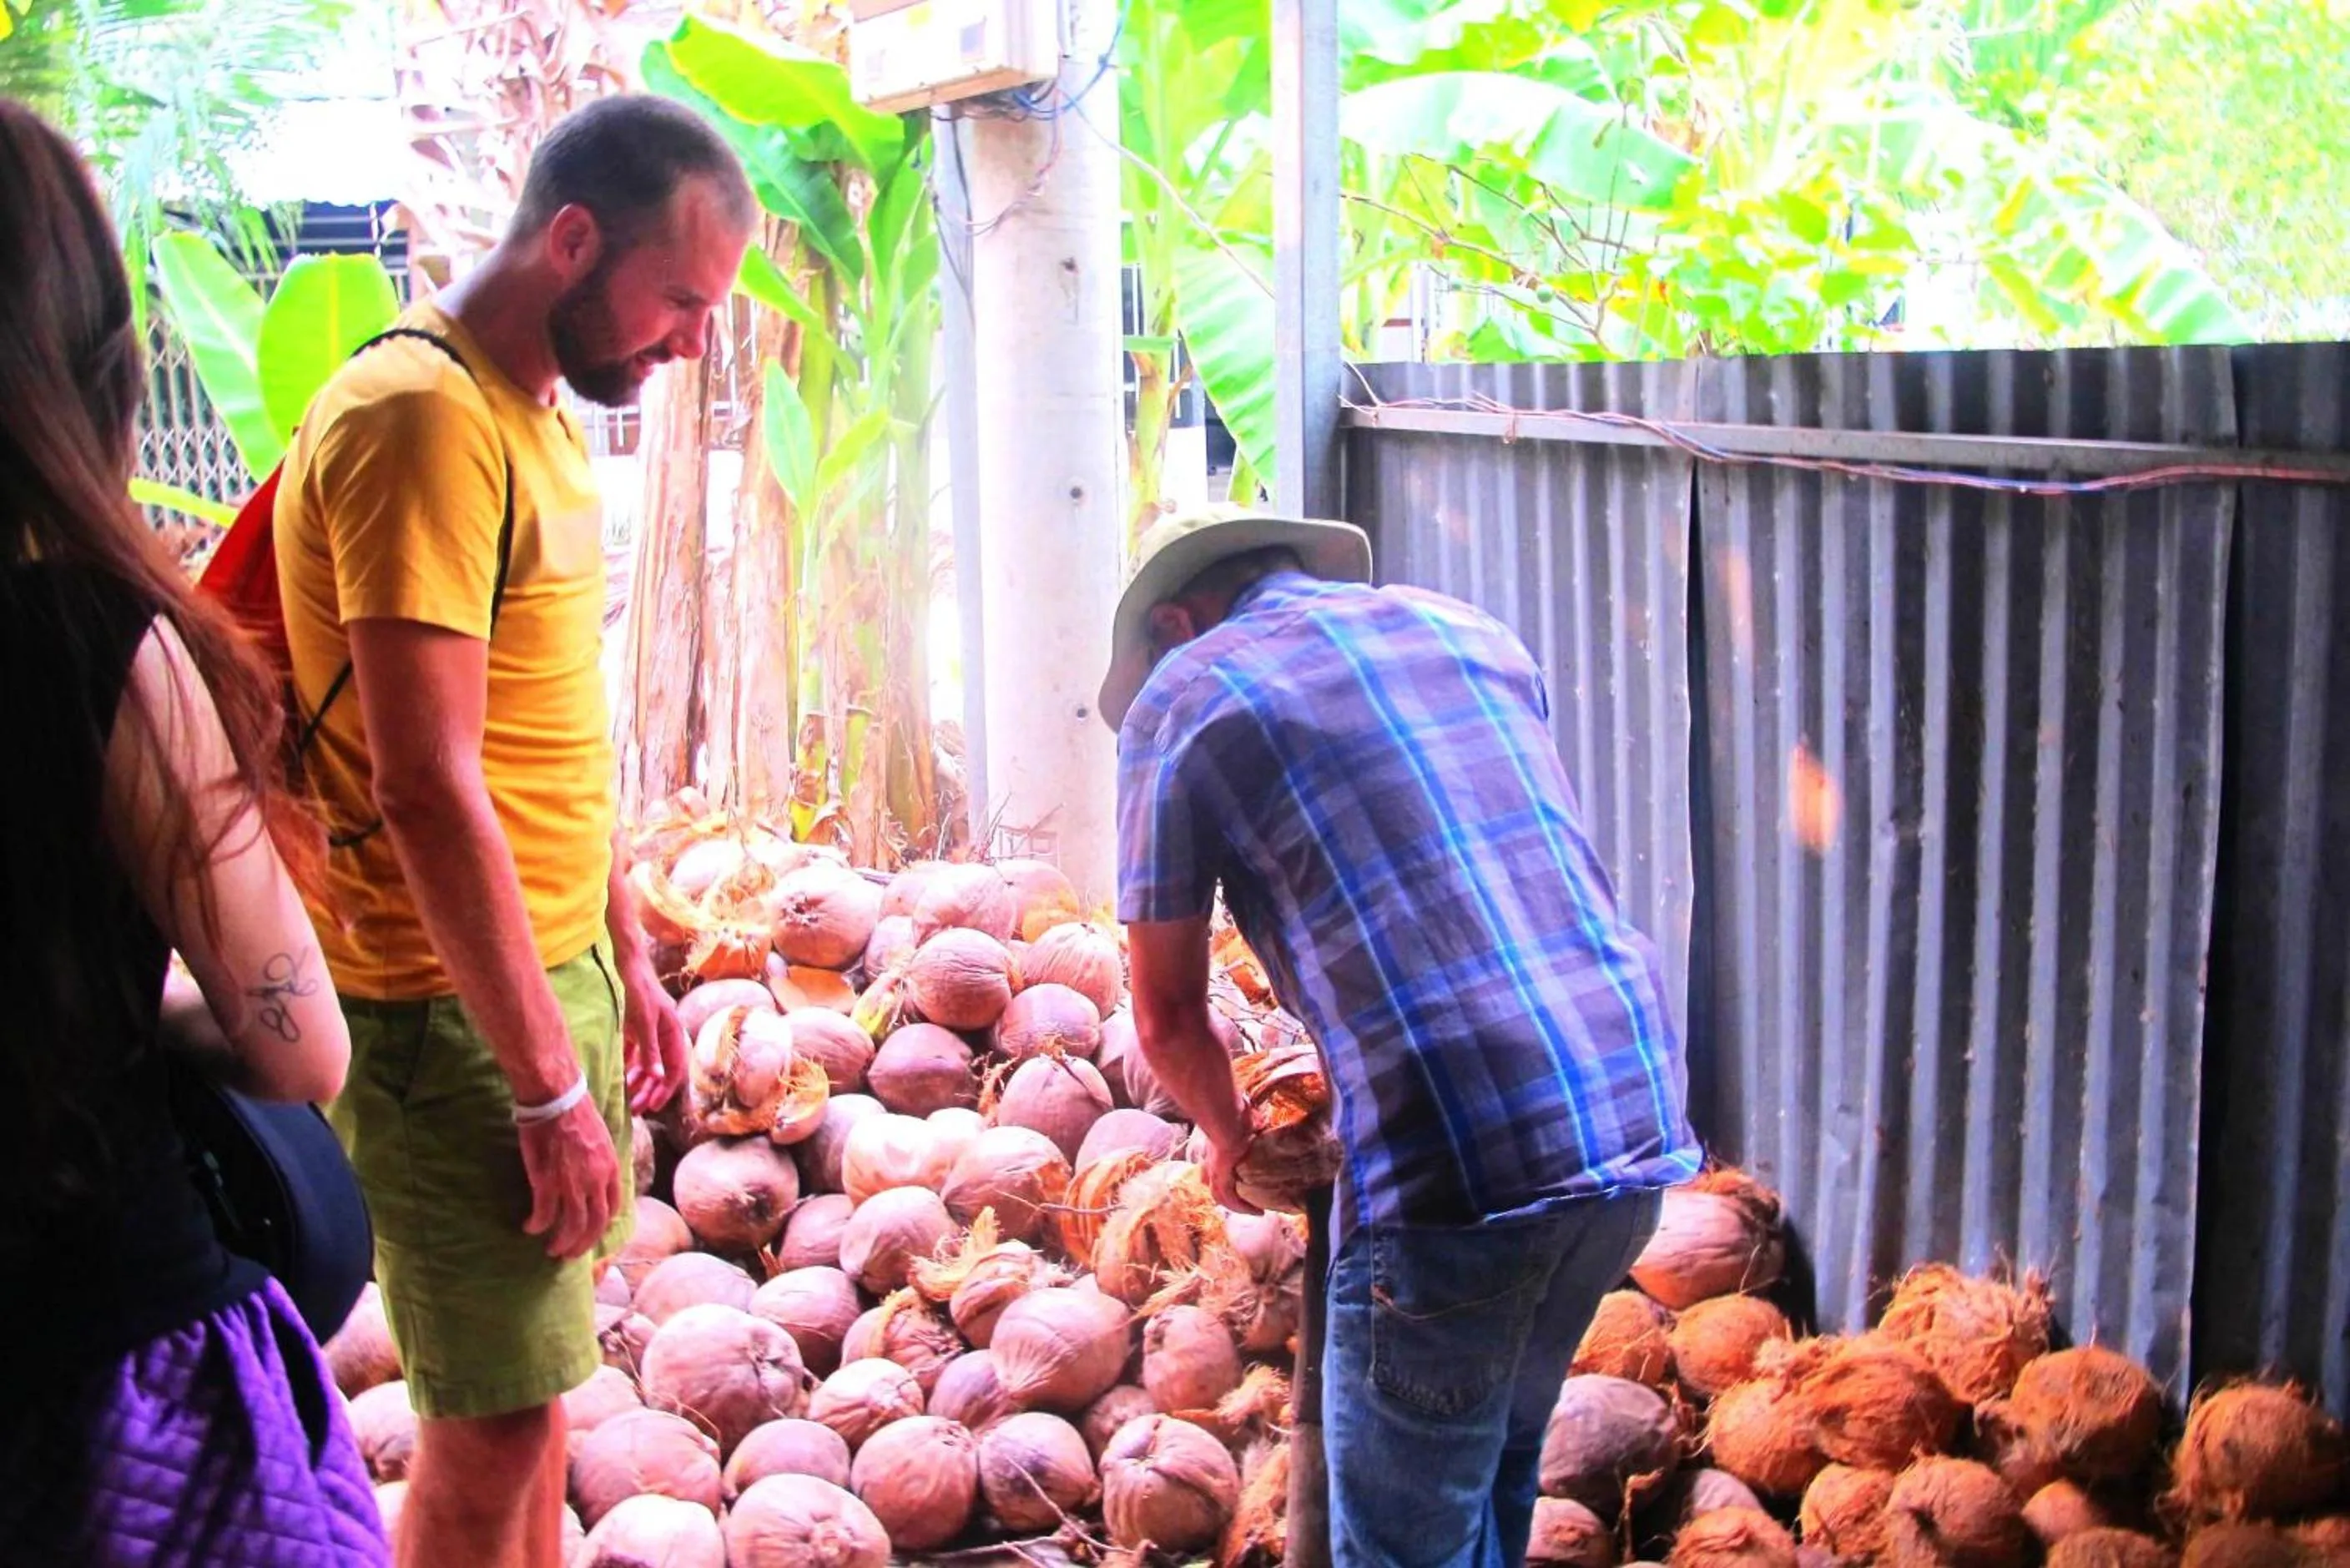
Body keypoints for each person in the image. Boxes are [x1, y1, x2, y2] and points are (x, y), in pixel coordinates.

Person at [271, 95, 754, 1568]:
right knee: (490, 1428)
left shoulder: (528, 412)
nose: (688, 345)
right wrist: (547, 1086)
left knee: (533, 1411)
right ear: (569, 238)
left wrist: (620, 946)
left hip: (542, 981)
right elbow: (424, 779)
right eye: (679, 300)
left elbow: (538, 731)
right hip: (446, 1010)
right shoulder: (422, 413)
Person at [1105, 507, 1702, 1568]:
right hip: (1631, 1112)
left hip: (1456, 1163)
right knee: (1499, 1463)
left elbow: (1165, 1012)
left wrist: (1227, 1132)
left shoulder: (1184, 693)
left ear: (1173, 620)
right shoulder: (1467, 630)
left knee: (1404, 1543)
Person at [0, 100, 386, 1563]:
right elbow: (298, 1046)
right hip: (106, 1380)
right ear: (77, 350)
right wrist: (141, 1006)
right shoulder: (97, 646)